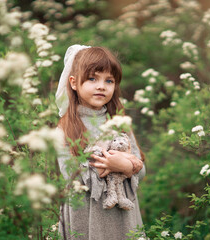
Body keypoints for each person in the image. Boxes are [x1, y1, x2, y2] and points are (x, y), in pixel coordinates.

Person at [55, 44, 146, 240]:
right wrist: (116, 163)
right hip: (86, 216)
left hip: (123, 218)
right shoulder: (65, 128)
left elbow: (142, 169)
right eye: (92, 78)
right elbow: (72, 176)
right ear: (73, 82)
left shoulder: (119, 124)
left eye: (109, 80)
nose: (101, 86)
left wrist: (127, 166)